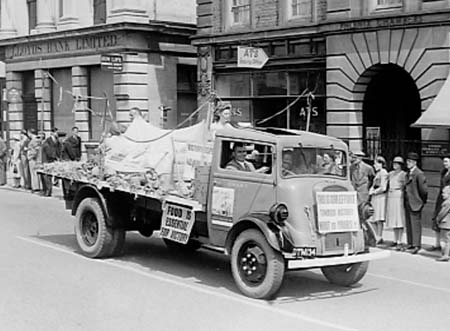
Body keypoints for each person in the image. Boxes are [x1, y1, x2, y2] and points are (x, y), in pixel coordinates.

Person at [404, 152, 428, 254]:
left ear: (414, 162)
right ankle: (410, 243)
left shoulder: (419, 173)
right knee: (409, 224)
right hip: (408, 202)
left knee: (416, 225)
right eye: (407, 161)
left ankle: (416, 245)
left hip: (416, 202)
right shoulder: (407, 173)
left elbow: (424, 190)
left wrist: (421, 201)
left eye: (409, 161)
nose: (407, 163)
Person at [428, 155, 450, 252]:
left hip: (448, 198)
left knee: (447, 222)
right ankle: (438, 244)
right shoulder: (444, 172)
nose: (444, 163)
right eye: (444, 162)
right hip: (441, 197)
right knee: (437, 219)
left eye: (446, 161)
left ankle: (446, 247)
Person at [386, 156, 407, 249]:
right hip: (391, 194)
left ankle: (400, 240)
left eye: (397, 163)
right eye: (394, 163)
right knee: (393, 218)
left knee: (399, 218)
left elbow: (404, 185)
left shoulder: (403, 174)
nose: (395, 165)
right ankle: (394, 239)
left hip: (398, 194)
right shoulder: (390, 174)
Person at [369, 156, 388, 244]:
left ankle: (379, 236)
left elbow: (383, 187)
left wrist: (374, 192)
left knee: (378, 218)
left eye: (376, 163)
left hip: (380, 197)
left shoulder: (383, 173)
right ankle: (377, 235)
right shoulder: (378, 173)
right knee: (373, 218)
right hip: (375, 198)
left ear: (381, 164)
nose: (374, 165)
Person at [41, 128, 62, 197]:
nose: (57, 134)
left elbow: (59, 149)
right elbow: (48, 151)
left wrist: (58, 157)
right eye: (56, 132)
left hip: (53, 160)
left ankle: (49, 190)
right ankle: (47, 191)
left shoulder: (57, 141)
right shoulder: (48, 141)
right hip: (47, 160)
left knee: (50, 175)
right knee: (46, 176)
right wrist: (54, 156)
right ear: (52, 133)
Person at [434, 186, 450, 262]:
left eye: (444, 193)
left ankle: (445, 254)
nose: (442, 195)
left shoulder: (447, 203)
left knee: (445, 239)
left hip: (446, 223)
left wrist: (438, 219)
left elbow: (442, 213)